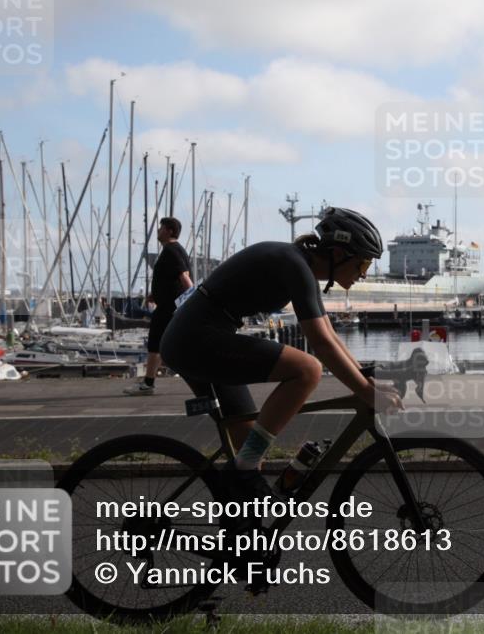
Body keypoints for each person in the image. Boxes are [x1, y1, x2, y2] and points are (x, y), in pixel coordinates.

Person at [160, 207, 403, 499]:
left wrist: (367, 381)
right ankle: (243, 478)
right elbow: (321, 344)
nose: (364, 274)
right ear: (339, 254)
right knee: (307, 370)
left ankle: (243, 531)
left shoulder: (302, 268)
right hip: (195, 339)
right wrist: (365, 391)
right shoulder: (295, 266)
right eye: (363, 265)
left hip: (196, 338)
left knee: (249, 447)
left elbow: (330, 335)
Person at [124, 217, 193, 395]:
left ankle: (148, 384)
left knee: (156, 343)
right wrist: (156, 294)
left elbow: (185, 278)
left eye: (161, 228)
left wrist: (192, 303)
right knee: (166, 344)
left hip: (168, 309)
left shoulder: (172, 251)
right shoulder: (174, 250)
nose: (158, 231)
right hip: (168, 305)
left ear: (169, 231)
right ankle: (149, 383)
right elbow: (172, 279)